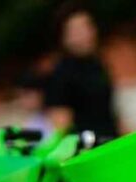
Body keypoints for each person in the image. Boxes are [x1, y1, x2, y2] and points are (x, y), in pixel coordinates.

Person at [45, 6, 120, 138]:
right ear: (64, 37)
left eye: (87, 26)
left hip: (112, 142)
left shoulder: (98, 65)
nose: (85, 34)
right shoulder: (61, 75)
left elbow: (111, 114)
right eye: (76, 30)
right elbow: (61, 126)